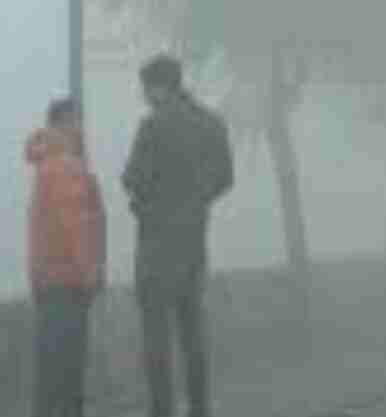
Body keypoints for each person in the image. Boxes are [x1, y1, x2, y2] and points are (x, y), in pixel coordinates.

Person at [122, 55, 233, 417]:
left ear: (159, 87)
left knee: (157, 337)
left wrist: (152, 203)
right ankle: (199, 407)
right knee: (192, 332)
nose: (144, 96)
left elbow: (132, 178)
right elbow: (225, 178)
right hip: (194, 242)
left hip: (156, 245)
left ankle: (162, 410)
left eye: (145, 89)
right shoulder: (212, 124)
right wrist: (196, 202)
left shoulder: (153, 126)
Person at [26, 97, 106, 417]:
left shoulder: (46, 165)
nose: (81, 128)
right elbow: (77, 225)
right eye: (77, 121)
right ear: (64, 122)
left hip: (48, 279)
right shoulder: (66, 166)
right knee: (69, 369)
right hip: (69, 280)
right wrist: (91, 273)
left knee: (49, 367)